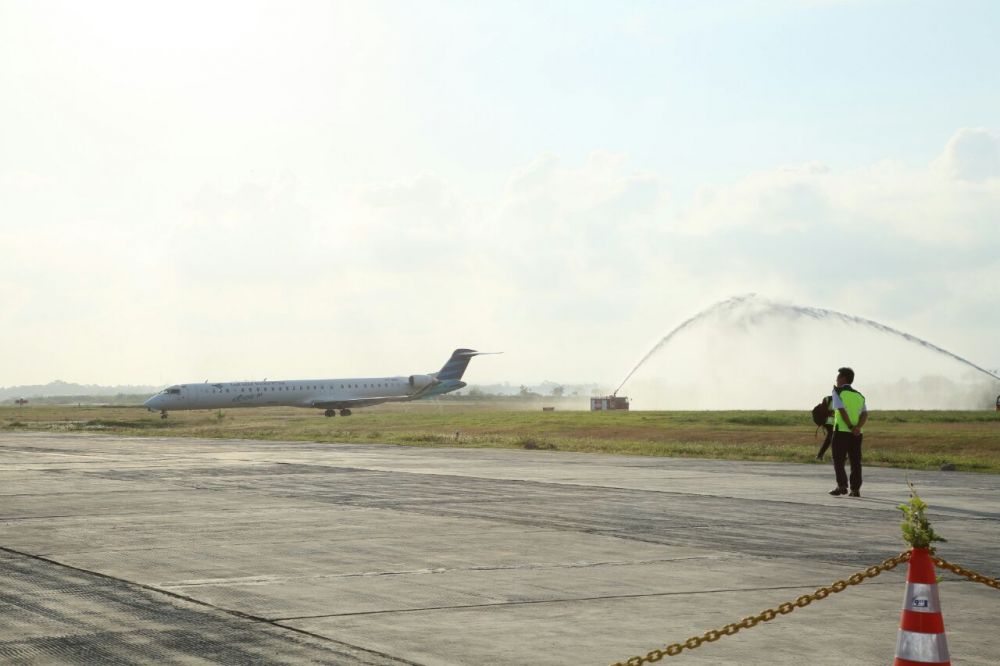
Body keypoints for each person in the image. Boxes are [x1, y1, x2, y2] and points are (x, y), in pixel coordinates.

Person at [829, 367, 867, 498]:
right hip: (857, 434)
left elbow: (841, 410)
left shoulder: (837, 392)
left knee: (838, 460)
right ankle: (855, 490)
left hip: (841, 432)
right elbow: (865, 414)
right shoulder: (859, 395)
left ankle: (842, 486)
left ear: (843, 378)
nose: (836, 379)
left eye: (838, 377)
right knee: (855, 461)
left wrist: (851, 426)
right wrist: (857, 428)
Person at [816, 390, 835, 460]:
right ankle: (836, 456)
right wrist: (831, 413)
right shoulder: (827, 399)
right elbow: (823, 411)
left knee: (829, 439)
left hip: (837, 423)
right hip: (829, 423)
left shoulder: (841, 400)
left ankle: (819, 455)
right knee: (832, 438)